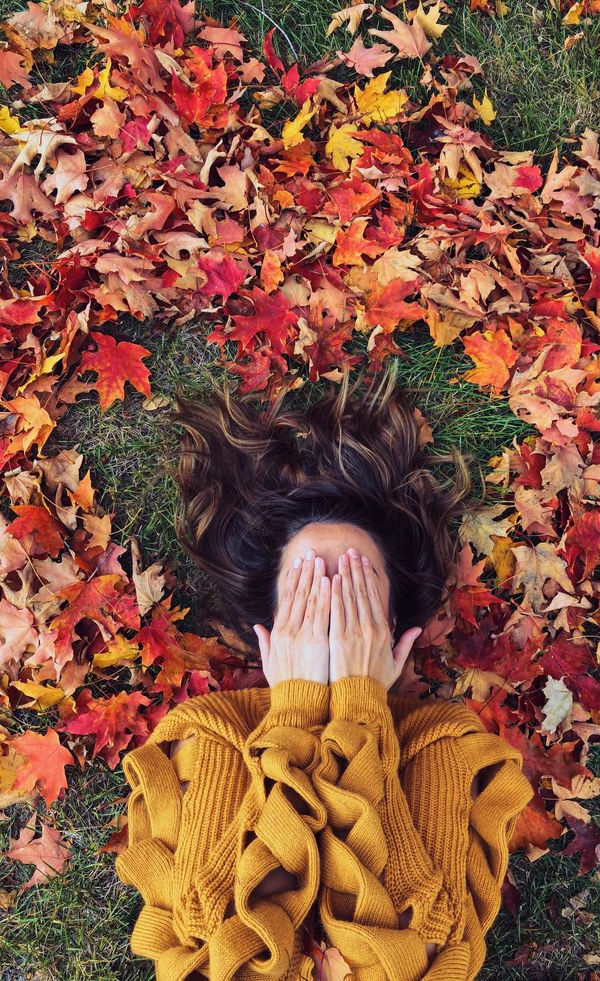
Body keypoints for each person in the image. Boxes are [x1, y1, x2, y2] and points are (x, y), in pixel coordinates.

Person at [114, 362, 533, 980]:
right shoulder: (211, 731)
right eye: (311, 598)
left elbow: (415, 955)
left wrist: (359, 709)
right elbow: (216, 948)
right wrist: (299, 711)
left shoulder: (443, 743)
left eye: (356, 598)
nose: (333, 618)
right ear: (271, 633)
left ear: (393, 636)